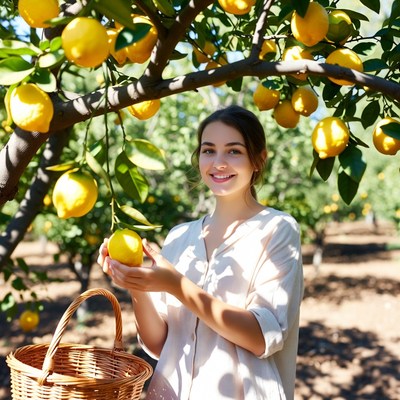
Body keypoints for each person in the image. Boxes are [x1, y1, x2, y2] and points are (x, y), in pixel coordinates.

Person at [97, 105, 304, 399]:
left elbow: (261, 337)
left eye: (234, 151)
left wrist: (176, 285)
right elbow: (160, 344)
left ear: (259, 159)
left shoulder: (277, 229)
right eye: (209, 150)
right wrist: (137, 284)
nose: (218, 163)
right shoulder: (180, 237)